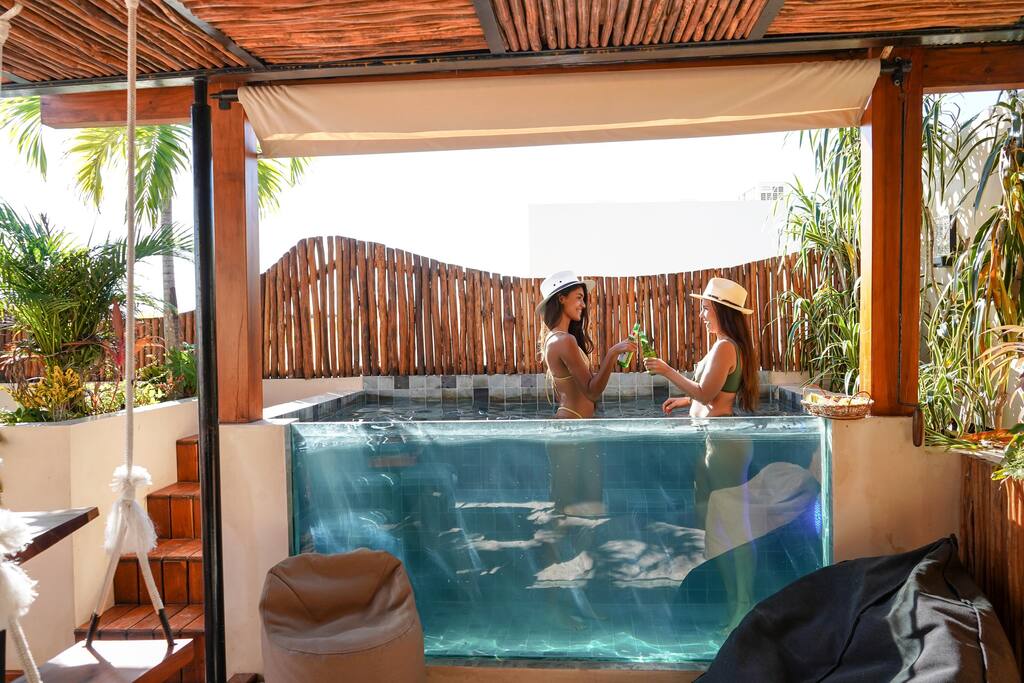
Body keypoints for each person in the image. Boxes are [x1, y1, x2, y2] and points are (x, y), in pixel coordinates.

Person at [644, 277, 761, 633]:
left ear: (722, 311)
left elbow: (709, 394)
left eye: (706, 308)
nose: (702, 314)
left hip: (725, 445)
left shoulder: (725, 347)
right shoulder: (725, 346)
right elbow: (713, 393)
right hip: (716, 442)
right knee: (717, 528)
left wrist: (666, 371)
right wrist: (685, 401)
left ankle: (744, 603)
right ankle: (735, 601)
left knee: (734, 528)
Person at [537, 271, 636, 420]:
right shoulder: (564, 340)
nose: (583, 305)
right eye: (579, 298)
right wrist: (612, 353)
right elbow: (592, 392)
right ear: (562, 299)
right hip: (572, 425)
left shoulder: (554, 338)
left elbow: (581, 386)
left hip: (573, 422)